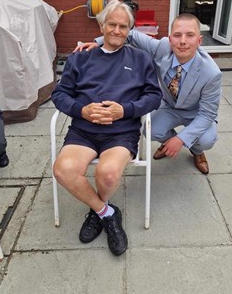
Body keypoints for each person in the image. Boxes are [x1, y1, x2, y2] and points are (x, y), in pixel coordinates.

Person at [51, 0, 162, 256]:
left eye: (123, 26)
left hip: (122, 131)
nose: (116, 30)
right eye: (111, 24)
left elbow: (154, 96)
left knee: (108, 174)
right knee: (63, 170)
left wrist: (125, 110)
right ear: (101, 25)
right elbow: (61, 95)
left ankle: (95, 209)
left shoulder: (141, 59)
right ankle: (106, 212)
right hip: (83, 131)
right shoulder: (80, 58)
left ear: (129, 31)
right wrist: (83, 111)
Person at [75, 13, 222, 175]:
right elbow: (131, 35)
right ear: (170, 38)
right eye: (177, 35)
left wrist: (181, 139)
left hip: (196, 113)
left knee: (206, 140)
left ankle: (197, 151)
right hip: (169, 105)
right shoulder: (162, 47)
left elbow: (208, 114)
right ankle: (168, 143)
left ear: (199, 40)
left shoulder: (211, 73)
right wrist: (100, 43)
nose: (182, 41)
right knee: (150, 130)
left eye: (190, 35)